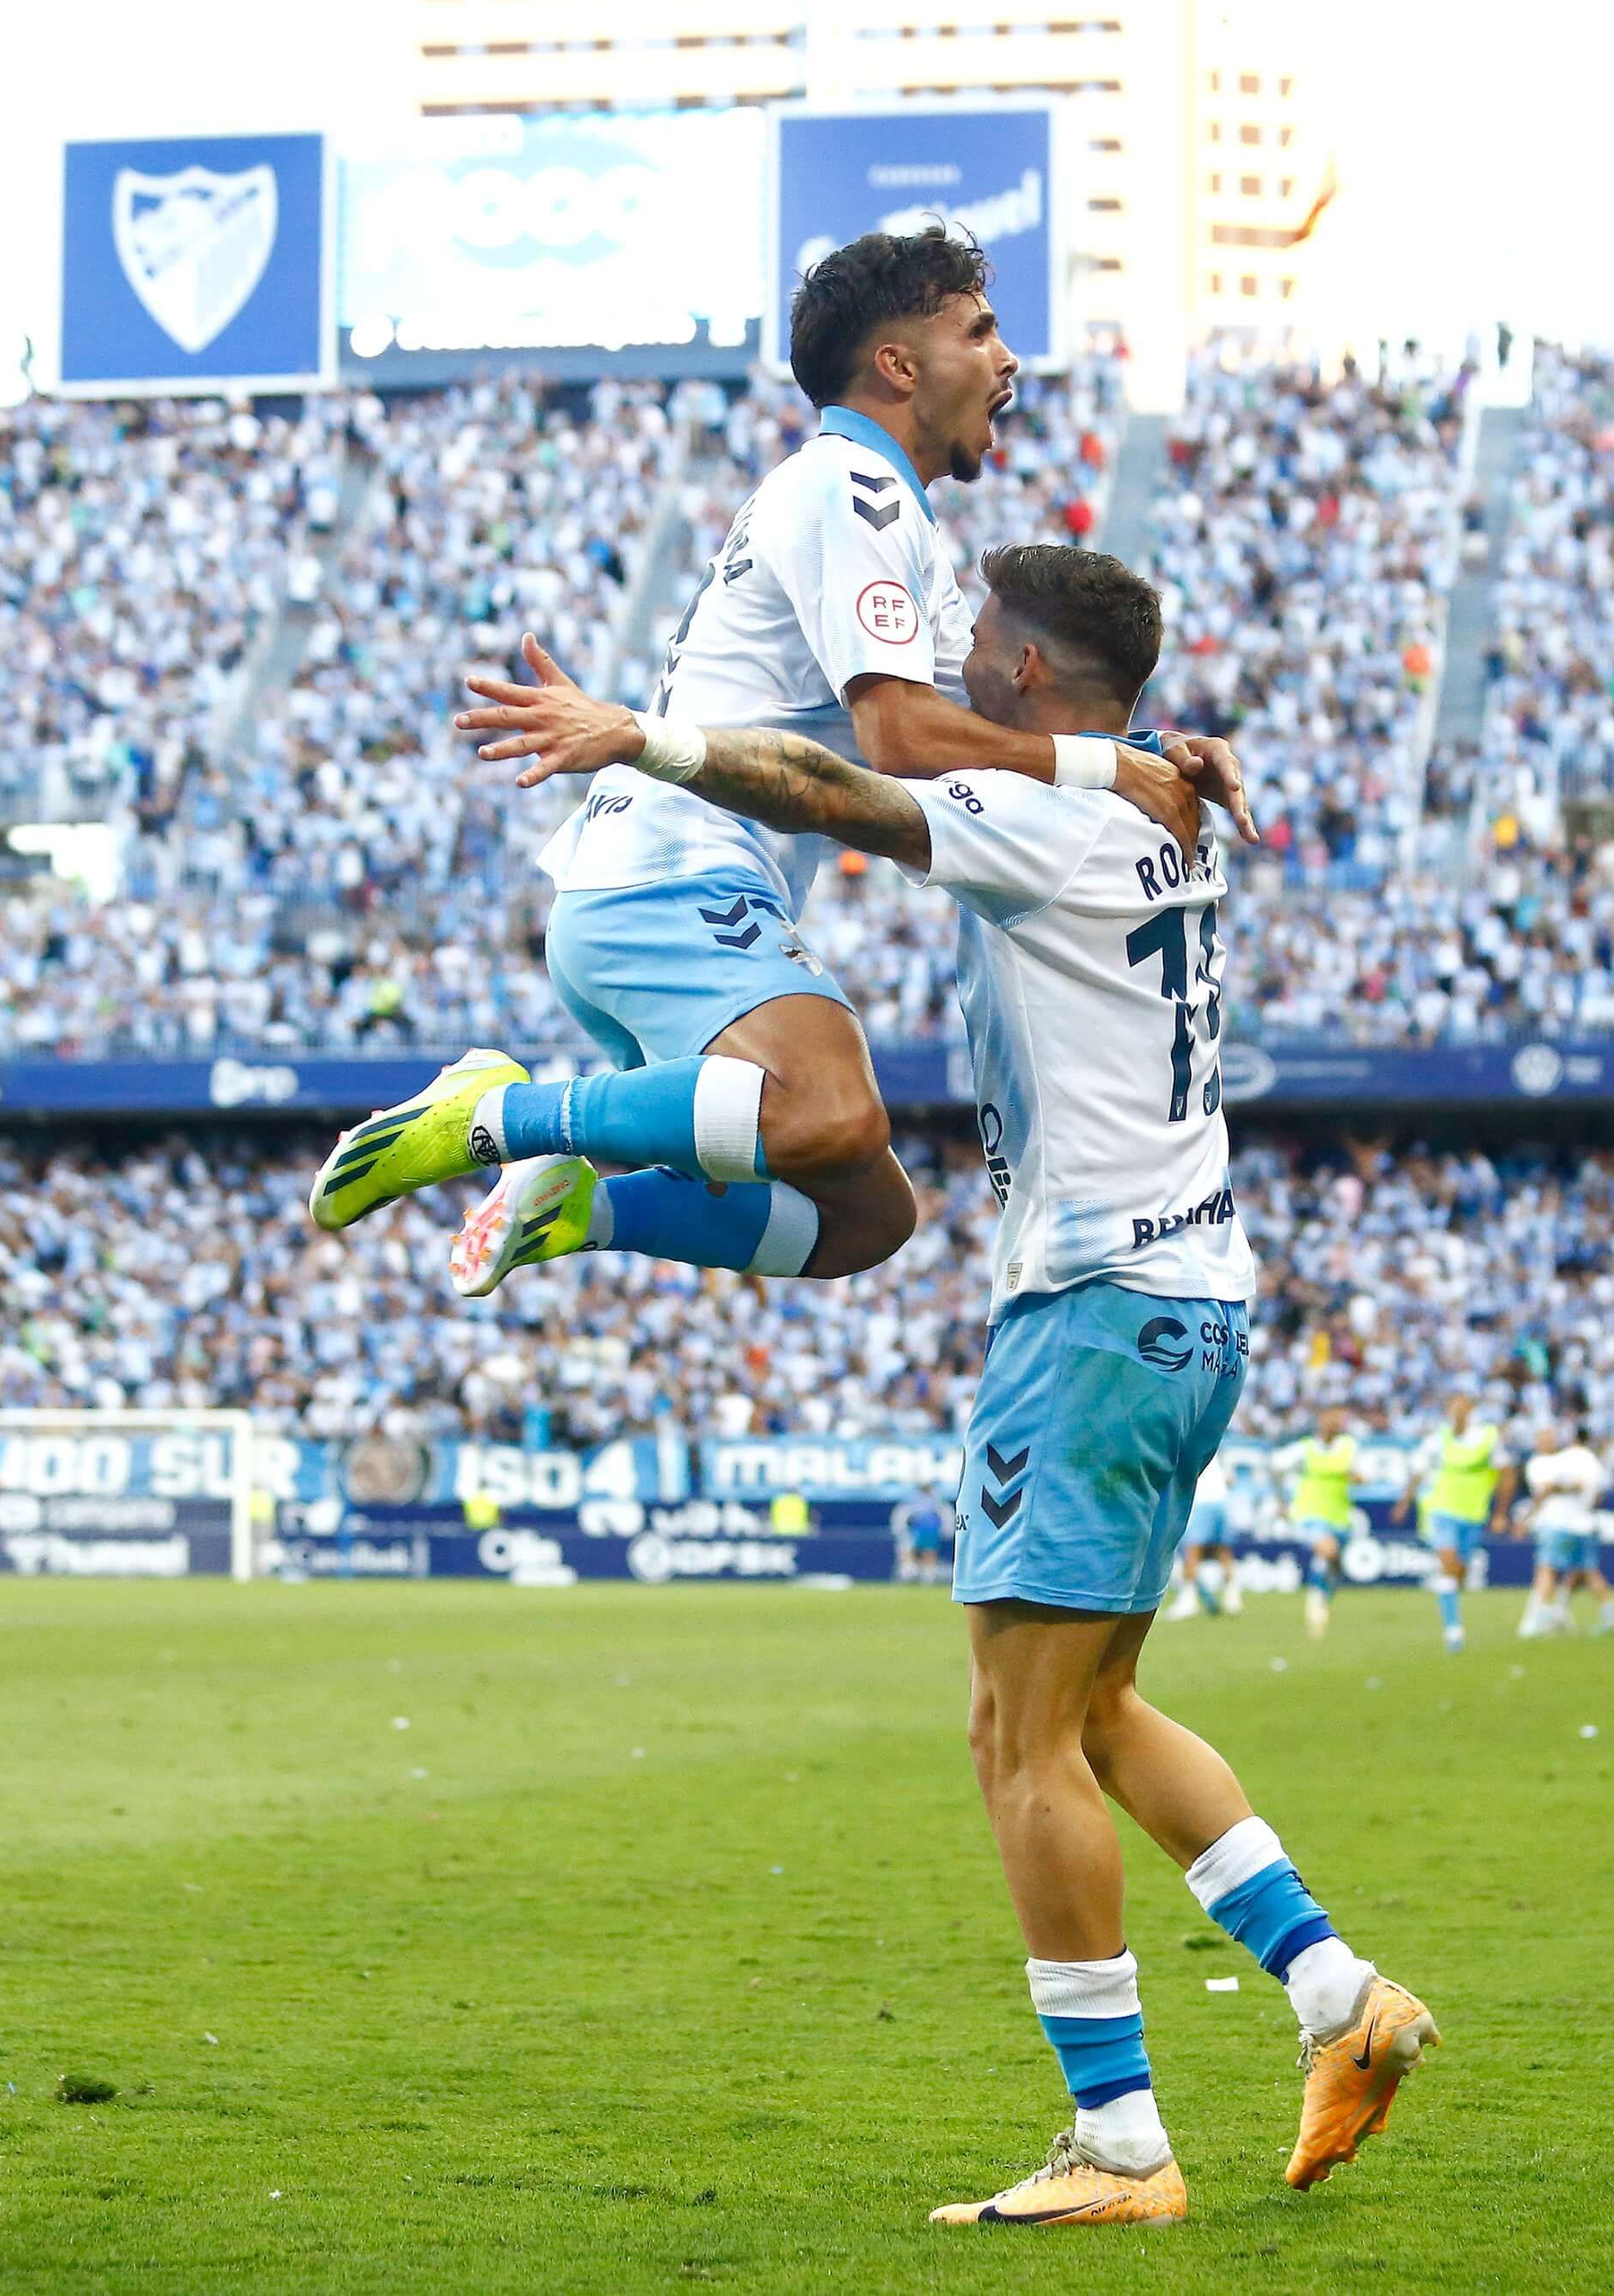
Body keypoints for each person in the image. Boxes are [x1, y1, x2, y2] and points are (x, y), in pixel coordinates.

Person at [458, 536, 1431, 2227]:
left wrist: (641, 737)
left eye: (982, 640)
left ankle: (1118, 2145)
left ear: (1034, 677)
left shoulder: (1046, 812)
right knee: (1098, 1709)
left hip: (1093, 1311)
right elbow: (989, 751)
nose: (951, 658)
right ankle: (1338, 1997)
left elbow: (840, 781)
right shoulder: (1163, 800)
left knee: (1013, 1735)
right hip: (1194, 1296)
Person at [310, 227, 1249, 1289]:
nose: (1006, 359)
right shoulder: (851, 493)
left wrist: (1146, 748)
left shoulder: (884, 516)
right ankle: (491, 1113)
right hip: (673, 877)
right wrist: (1107, 770)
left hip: (665, 888)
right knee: (831, 1111)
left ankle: (586, 1207)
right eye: (979, 331)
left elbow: (1001, 713)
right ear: (898, 364)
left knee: (867, 1216)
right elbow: (901, 739)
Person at [1398, 1392, 1512, 1655]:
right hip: (1442, 1510)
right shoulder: (1437, 1439)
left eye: (1462, 1406)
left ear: (1471, 1409)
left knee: (1458, 1570)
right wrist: (1405, 1502)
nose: (1457, 1411)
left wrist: (1501, 1513)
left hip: (1473, 1514)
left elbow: (1507, 1476)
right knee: (1449, 1564)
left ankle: (1448, 1591)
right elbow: (1418, 1470)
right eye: (1453, 1407)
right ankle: (1453, 1630)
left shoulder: (1488, 1438)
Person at [1516, 1421, 1614, 1639]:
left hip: (1559, 1524)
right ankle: (1609, 1615)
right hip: (1584, 1524)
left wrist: (1527, 1517)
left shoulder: (1555, 1461)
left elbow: (1548, 1489)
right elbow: (1595, 1493)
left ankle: (1542, 1617)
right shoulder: (1586, 1460)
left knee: (1548, 1569)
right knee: (1588, 1572)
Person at [1273, 1406, 1363, 1641]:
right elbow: (1276, 1468)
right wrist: (1282, 1502)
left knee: (1334, 1564)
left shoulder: (1349, 1447)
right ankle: (1314, 1602)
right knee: (1327, 1549)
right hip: (1309, 1513)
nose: (1332, 1425)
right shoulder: (1304, 1449)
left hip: (1340, 1516)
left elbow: (1361, 1474)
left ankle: (1323, 1599)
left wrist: (1358, 1477)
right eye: (1328, 1420)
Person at [1166, 1454, 1240, 1620]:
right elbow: (1231, 1479)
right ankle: (1232, 1598)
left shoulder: (1189, 1441)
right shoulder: (1217, 1447)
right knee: (1223, 1552)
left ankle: (1188, 1600)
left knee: (1192, 1552)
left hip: (1202, 1502)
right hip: (1222, 1501)